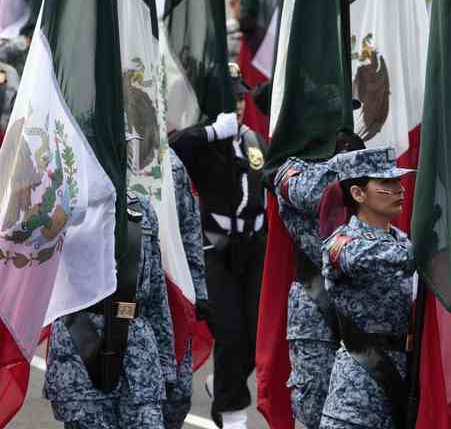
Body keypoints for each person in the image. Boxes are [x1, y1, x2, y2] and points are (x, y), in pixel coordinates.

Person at [169, 62, 267, 429]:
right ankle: (232, 411)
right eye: (231, 98)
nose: (239, 104)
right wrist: (212, 132)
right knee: (228, 329)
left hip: (254, 245)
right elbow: (172, 147)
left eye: (241, 97)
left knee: (258, 332)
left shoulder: (254, 141)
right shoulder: (203, 140)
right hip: (216, 245)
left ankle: (223, 384)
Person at [44, 192, 176, 428]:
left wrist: (167, 365)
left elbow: (156, 291)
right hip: (79, 351)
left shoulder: (141, 207)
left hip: (138, 355)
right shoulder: (61, 204)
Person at [319, 147, 416, 429]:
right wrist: (430, 249)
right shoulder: (342, 243)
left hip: (404, 378)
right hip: (359, 389)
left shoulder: (403, 240)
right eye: (386, 184)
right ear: (358, 194)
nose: (399, 189)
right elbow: (370, 258)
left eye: (398, 181)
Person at [274, 130, 365, 428]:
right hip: (315, 305)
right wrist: (344, 160)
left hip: (367, 305)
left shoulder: (368, 159)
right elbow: (315, 194)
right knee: (315, 404)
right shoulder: (293, 168)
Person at [162, 148, 211, 429]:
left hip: (168, 294)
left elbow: (189, 228)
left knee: (177, 396)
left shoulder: (170, 163)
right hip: (107, 300)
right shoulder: (91, 152)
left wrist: (199, 291)